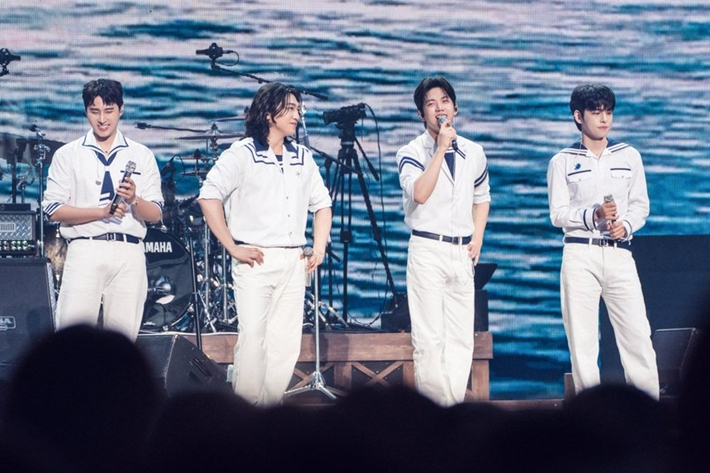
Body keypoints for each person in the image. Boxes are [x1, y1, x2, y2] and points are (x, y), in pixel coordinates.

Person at [198, 82, 332, 407]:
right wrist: (232, 247)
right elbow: (208, 196)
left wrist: (319, 248)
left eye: (298, 108)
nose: (297, 115)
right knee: (253, 341)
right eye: (290, 108)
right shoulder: (242, 153)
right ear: (270, 113)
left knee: (285, 345)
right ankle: (245, 415)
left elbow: (323, 204)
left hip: (293, 261)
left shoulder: (302, 157)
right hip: (255, 260)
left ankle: (269, 413)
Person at [547, 84, 659, 399]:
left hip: (620, 254)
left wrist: (626, 225)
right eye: (596, 112)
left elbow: (640, 206)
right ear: (578, 116)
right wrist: (593, 215)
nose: (604, 119)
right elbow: (558, 214)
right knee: (582, 343)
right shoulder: (562, 161)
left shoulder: (629, 155)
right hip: (580, 253)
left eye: (608, 112)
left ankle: (650, 410)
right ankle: (589, 418)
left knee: (637, 336)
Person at [42, 78, 163, 341]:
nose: (102, 119)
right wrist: (101, 212)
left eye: (109, 111)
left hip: (129, 252)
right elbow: (53, 209)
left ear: (121, 109)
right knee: (71, 338)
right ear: (86, 111)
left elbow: (155, 214)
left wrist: (134, 199)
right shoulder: (68, 154)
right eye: (94, 111)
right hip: (85, 249)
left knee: (123, 342)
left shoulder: (141, 155)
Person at [396, 76, 491, 406]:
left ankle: (452, 410)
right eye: (431, 104)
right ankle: (433, 416)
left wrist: (477, 237)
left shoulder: (474, 152)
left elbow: (482, 197)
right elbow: (420, 193)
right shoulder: (410, 152)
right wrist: (440, 150)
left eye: (445, 101)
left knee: (461, 340)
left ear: (455, 107)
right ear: (421, 114)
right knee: (430, 340)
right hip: (427, 249)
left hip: (461, 252)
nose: (439, 108)